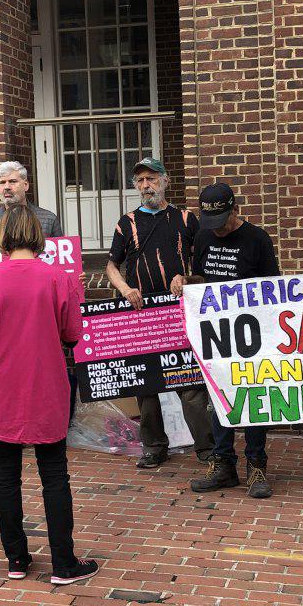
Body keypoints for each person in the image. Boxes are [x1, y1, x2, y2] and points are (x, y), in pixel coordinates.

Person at [0, 205, 98, 585]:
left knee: (5, 477)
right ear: (39, 236)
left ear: (3, 235)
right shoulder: (58, 277)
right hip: (45, 387)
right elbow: (72, 335)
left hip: (1, 389)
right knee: (54, 475)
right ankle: (63, 563)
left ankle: (16, 559)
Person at [104, 157, 214, 468]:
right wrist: (125, 289)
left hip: (179, 313)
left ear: (165, 181)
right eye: (140, 180)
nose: (146, 185)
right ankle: (154, 447)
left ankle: (207, 448)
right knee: (146, 386)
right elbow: (112, 266)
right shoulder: (126, 223)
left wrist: (187, 278)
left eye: (151, 178)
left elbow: (204, 265)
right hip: (142, 315)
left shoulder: (186, 219)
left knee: (190, 385)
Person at [189, 183, 281, 499]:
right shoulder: (203, 237)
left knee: (252, 399)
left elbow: (273, 289)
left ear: (235, 210)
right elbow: (200, 280)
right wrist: (185, 281)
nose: (217, 229)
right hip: (216, 335)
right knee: (219, 399)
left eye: (222, 222)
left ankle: (256, 465)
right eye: (211, 223)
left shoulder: (257, 239)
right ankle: (223, 465)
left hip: (252, 335)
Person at [0, 160, 63, 242]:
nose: (7, 187)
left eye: (12, 181)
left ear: (26, 185)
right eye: (2, 182)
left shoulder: (48, 219)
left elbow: (60, 251)